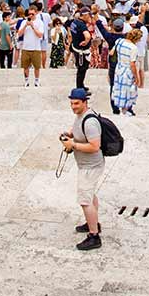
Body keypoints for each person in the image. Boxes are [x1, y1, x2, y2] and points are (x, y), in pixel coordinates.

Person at [59, 89, 106, 251]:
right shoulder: (81, 116)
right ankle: (92, 223)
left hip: (91, 166)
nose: (73, 106)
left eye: (77, 103)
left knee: (85, 201)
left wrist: (73, 145)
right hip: (86, 165)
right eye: (71, 103)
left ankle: (94, 236)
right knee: (90, 195)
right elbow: (77, 131)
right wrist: (69, 134)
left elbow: (95, 146)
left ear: (85, 103)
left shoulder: (90, 122)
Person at [110, 27, 142, 116]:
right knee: (128, 91)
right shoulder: (133, 48)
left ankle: (120, 110)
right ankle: (126, 111)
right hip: (127, 71)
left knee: (119, 89)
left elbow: (111, 53)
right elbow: (132, 64)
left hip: (119, 68)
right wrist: (136, 77)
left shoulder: (119, 41)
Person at [15, 6, 49, 87]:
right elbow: (19, 34)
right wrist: (25, 26)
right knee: (25, 66)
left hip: (36, 48)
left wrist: (33, 26)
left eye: (32, 14)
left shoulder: (39, 22)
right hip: (26, 47)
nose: (30, 16)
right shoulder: (24, 22)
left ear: (36, 13)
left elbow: (40, 35)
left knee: (37, 66)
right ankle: (26, 80)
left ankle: (36, 80)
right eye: (29, 14)